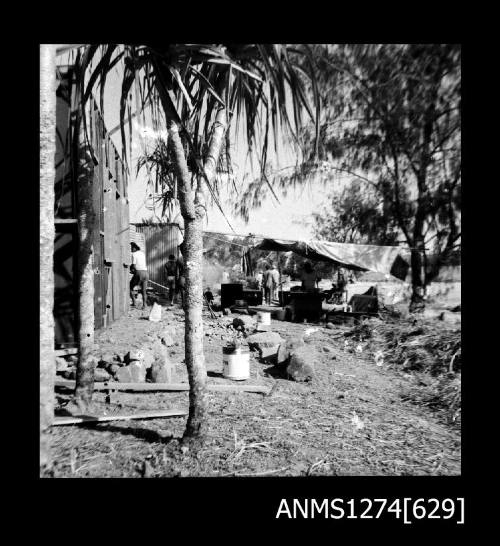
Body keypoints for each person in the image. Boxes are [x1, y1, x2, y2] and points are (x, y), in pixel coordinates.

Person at [130, 242, 148, 309]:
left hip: (139, 273)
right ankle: (144, 305)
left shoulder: (134, 254)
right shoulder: (142, 254)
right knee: (144, 291)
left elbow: (134, 265)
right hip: (145, 272)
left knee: (130, 287)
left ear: (135, 248)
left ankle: (134, 302)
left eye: (131, 248)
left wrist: (132, 270)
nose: (131, 249)